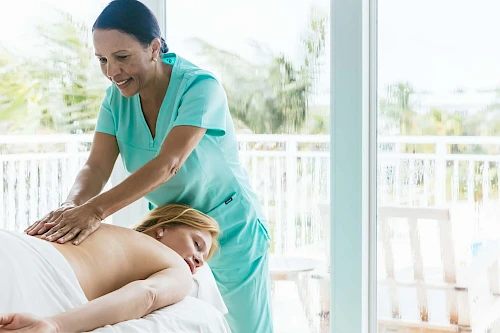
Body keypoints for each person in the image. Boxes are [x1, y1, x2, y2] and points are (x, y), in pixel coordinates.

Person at [24, 0, 273, 332]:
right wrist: (72, 205)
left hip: (229, 224)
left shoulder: (200, 87)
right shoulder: (116, 99)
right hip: (171, 229)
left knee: (248, 327)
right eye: (102, 60)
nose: (112, 72)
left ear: (154, 48)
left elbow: (169, 163)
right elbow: (96, 166)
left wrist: (94, 211)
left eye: (122, 57)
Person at [0, 204, 220, 333]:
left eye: (203, 258)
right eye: (197, 244)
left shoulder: (104, 232)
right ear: (163, 228)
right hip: (38, 274)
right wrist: (55, 325)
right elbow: (147, 294)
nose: (200, 261)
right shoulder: (176, 267)